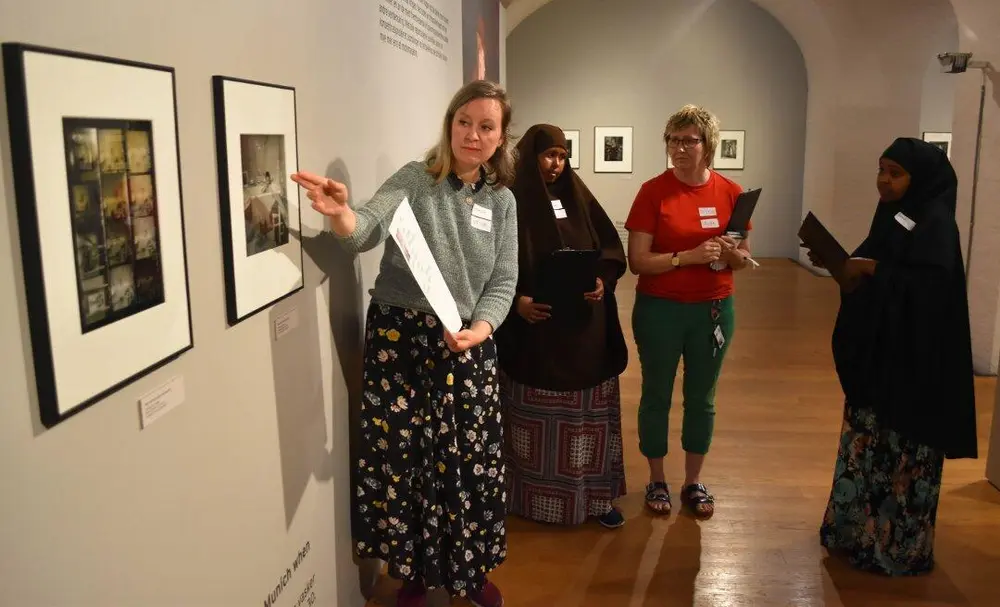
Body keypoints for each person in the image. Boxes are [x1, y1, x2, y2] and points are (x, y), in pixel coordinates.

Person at [291, 79, 519, 607]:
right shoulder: (417, 180)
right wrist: (341, 212)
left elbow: (504, 279)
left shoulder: (502, 202)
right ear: (450, 124)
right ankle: (415, 575)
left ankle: (469, 573)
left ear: (500, 137)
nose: (473, 134)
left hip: (466, 340)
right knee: (406, 462)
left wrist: (482, 328)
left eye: (486, 126)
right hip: (403, 341)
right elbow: (365, 227)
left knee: (467, 463)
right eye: (464, 122)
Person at [808, 137, 978, 576]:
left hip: (914, 370)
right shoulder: (894, 215)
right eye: (881, 169)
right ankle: (855, 533)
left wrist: (873, 270)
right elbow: (870, 271)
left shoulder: (936, 222)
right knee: (868, 448)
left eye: (895, 173)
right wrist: (841, 266)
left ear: (918, 178)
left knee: (900, 458)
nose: (883, 181)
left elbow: (931, 292)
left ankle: (894, 548)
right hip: (880, 361)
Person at [494, 124, 629, 530]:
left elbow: (608, 246)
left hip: (583, 332)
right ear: (529, 155)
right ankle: (530, 500)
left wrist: (602, 281)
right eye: (549, 155)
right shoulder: (508, 198)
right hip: (536, 333)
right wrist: (516, 302)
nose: (557, 164)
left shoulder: (577, 193)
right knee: (532, 416)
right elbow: (489, 259)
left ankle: (594, 497)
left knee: (586, 418)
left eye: (563, 155)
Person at [623, 104, 753, 519]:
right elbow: (638, 262)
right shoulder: (652, 191)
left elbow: (744, 256)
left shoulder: (732, 193)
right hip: (660, 310)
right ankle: (657, 478)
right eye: (673, 140)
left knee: (702, 398)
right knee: (656, 394)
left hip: (713, 311)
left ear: (708, 145)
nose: (679, 148)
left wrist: (732, 255)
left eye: (688, 140)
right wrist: (687, 257)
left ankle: (694, 481)